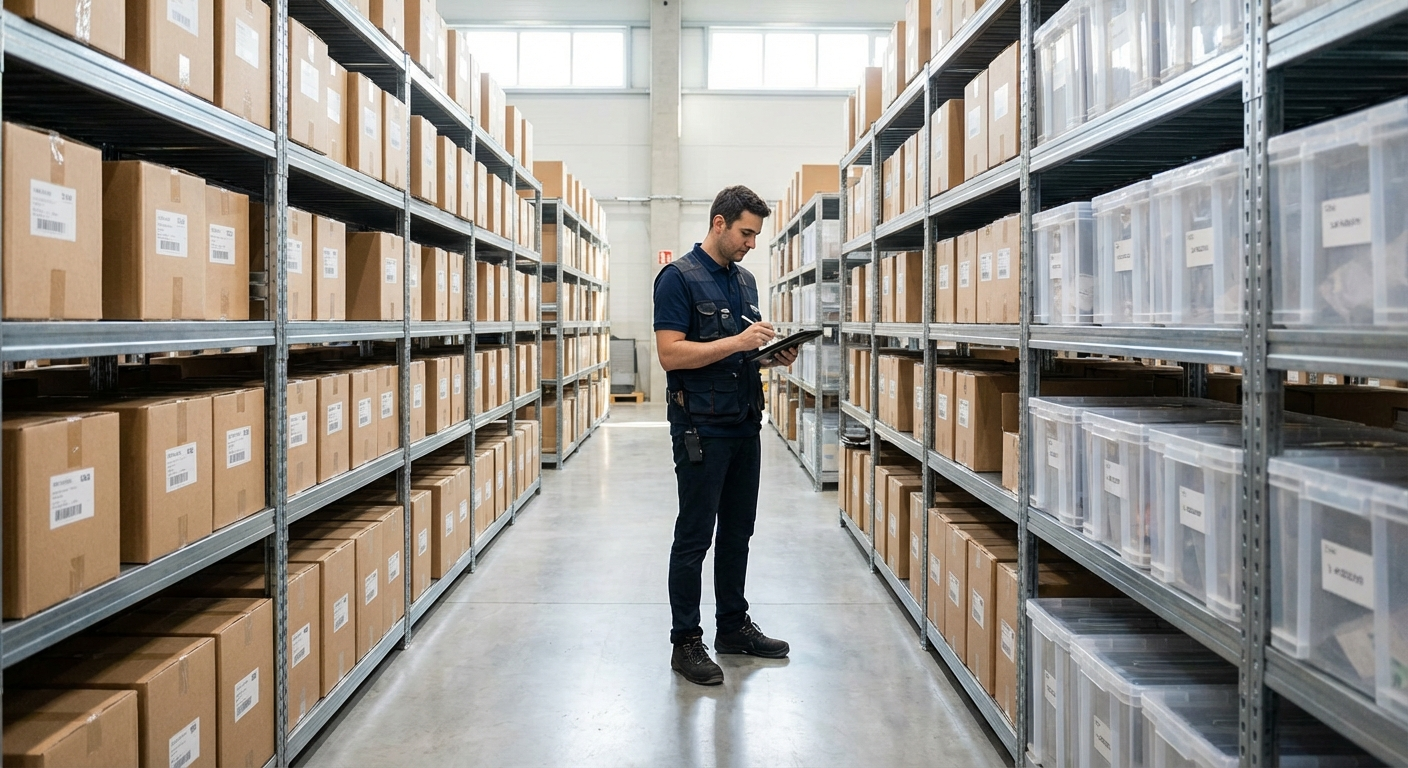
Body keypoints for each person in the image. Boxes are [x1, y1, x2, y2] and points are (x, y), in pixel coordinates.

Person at [653, 185, 801, 686]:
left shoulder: (746, 282)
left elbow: (739, 354)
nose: (751, 243)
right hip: (701, 426)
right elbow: (671, 355)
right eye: (745, 233)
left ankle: (733, 627)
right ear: (719, 223)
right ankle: (685, 641)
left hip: (743, 422)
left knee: (739, 532)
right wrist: (737, 341)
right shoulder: (677, 279)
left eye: (756, 235)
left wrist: (769, 354)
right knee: (695, 536)